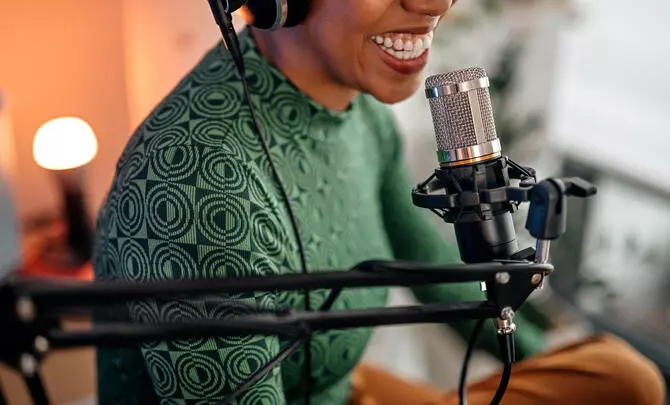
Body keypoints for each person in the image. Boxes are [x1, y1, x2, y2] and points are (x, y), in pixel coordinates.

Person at [92, 0, 666, 404]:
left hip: (351, 392)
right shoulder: (199, 185)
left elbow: (433, 270)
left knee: (620, 378)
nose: (437, 3)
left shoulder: (359, 110)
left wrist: (540, 355)